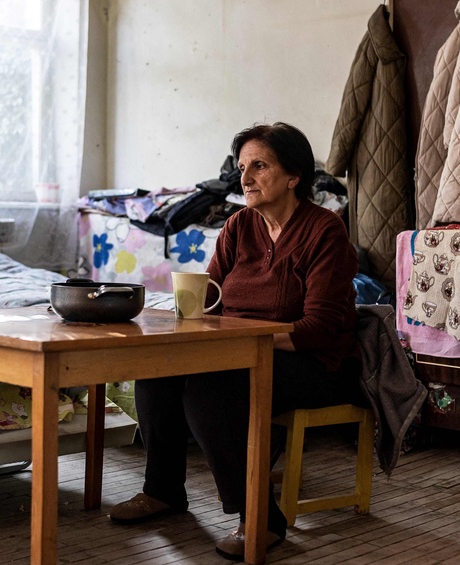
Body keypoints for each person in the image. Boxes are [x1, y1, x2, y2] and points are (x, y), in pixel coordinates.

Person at [108, 122, 366, 560]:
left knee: (211, 388)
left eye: (259, 166)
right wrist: (179, 307)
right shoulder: (239, 226)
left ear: (293, 175)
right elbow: (209, 297)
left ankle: (261, 519)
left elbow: (318, 327)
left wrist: (244, 346)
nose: (245, 178)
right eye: (242, 167)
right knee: (157, 374)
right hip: (244, 353)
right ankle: (163, 491)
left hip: (312, 363)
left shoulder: (325, 232)